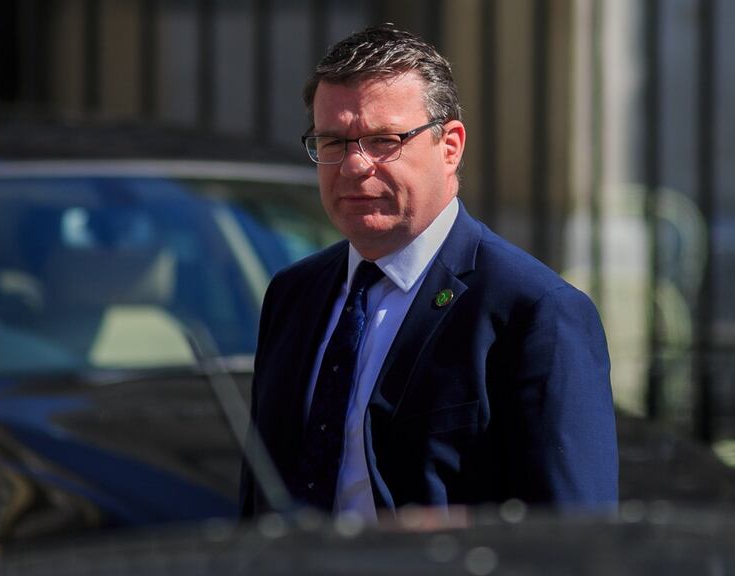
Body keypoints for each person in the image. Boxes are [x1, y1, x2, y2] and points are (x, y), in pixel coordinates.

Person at [240, 23, 617, 523]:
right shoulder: (295, 293)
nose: (353, 166)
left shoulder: (533, 312)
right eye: (332, 142)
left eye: (382, 140)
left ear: (450, 145)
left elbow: (573, 533)